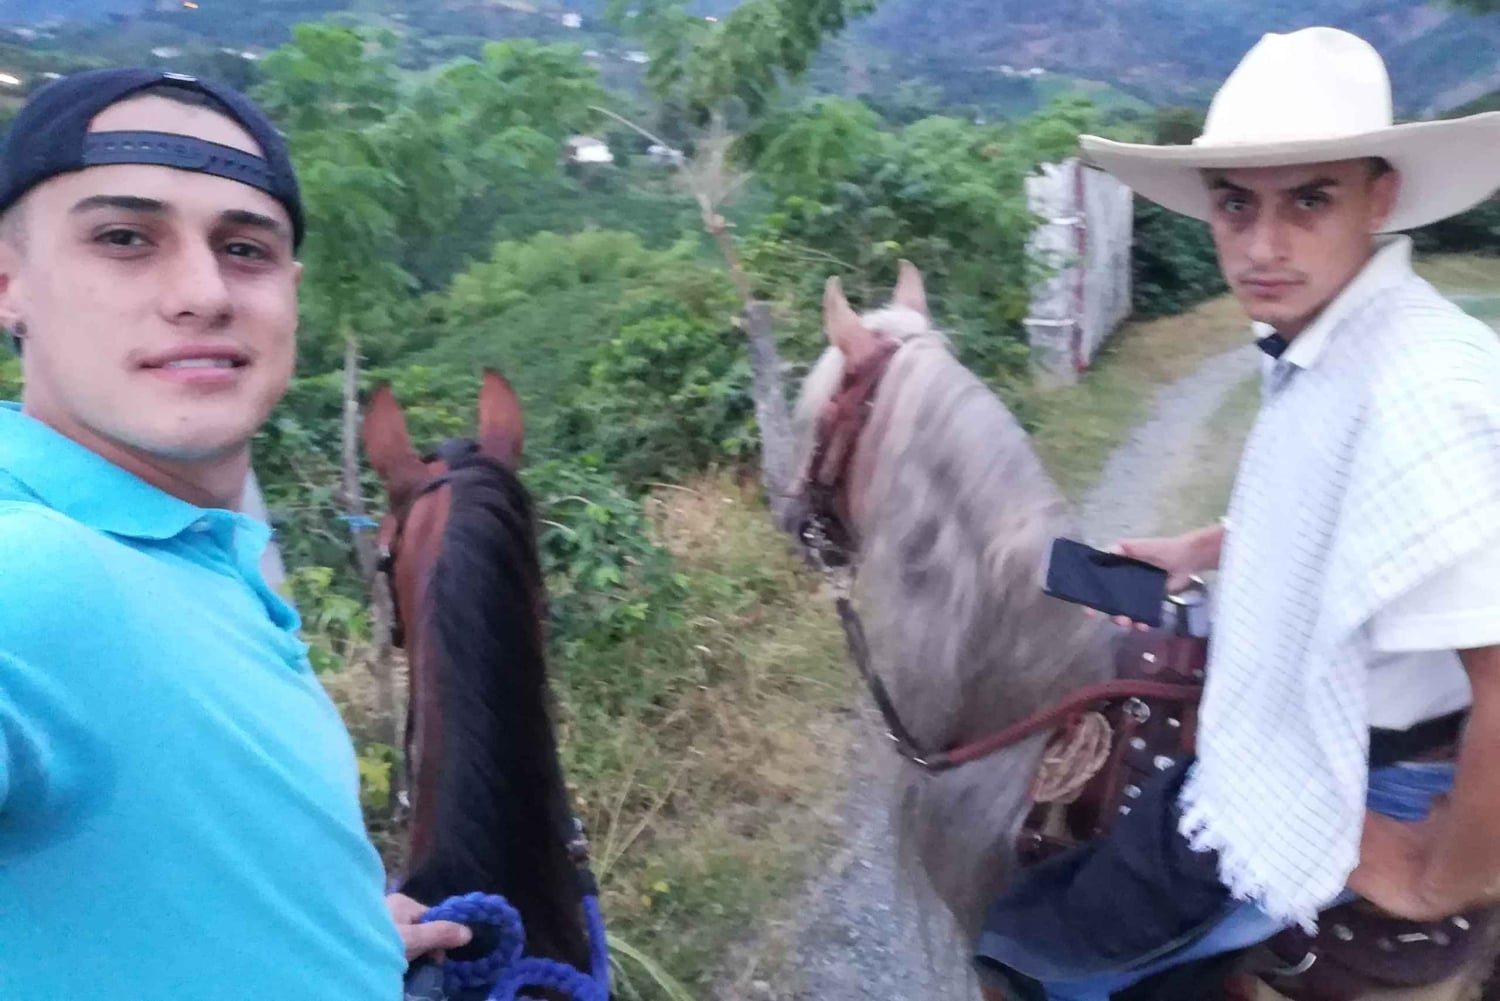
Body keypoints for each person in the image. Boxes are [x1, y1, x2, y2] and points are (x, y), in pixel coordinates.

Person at [973, 27, 1500, 1000]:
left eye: (1310, 200)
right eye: (1236, 203)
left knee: (1052, 964)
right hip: (1317, 736)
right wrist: (1215, 545)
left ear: (1379, 197)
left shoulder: (1423, 391)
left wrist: (1438, 879)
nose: (1262, 246)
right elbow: (1352, 515)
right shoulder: (1339, 335)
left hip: (1362, 783)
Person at [0, 69, 469, 997]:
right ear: (8, 283)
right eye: (124, 238)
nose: (203, 293)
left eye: (244, 249)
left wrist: (325, 930)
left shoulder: (190, 549)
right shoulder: (35, 573)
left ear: (290, 291)